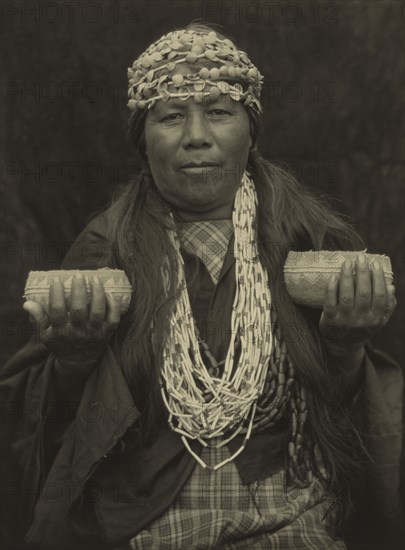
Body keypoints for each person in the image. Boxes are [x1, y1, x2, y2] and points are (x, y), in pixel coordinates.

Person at [1, 22, 403, 550]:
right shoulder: (107, 248)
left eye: (219, 111)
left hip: (291, 515)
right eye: (170, 116)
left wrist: (344, 347)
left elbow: (353, 407)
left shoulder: (309, 239)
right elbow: (44, 420)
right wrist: (74, 362)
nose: (197, 135)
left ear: (251, 131)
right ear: (142, 140)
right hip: (142, 523)